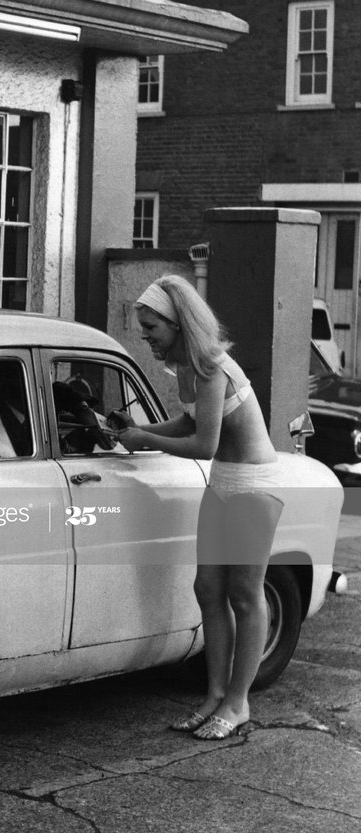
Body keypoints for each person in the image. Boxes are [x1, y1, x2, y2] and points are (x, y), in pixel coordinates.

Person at [114, 274, 283, 740]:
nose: (145, 336)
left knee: (245, 595)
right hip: (226, 482)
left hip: (254, 484)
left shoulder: (211, 367)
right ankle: (213, 695)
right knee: (208, 588)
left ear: (177, 324)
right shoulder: (186, 367)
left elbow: (204, 444)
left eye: (151, 328)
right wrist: (140, 429)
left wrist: (145, 439)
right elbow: (191, 420)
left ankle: (238, 702)